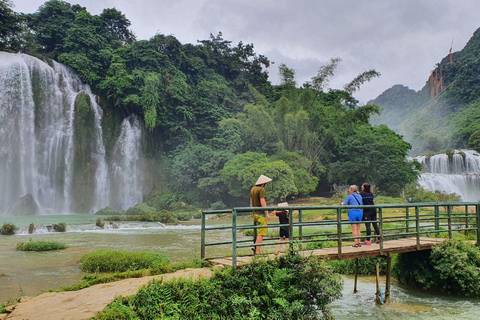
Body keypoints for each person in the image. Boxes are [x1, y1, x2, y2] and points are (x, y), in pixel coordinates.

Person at [250, 174, 273, 255]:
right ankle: (257, 252)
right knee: (261, 233)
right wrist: (267, 213)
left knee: (259, 231)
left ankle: (255, 246)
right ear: (263, 183)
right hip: (261, 214)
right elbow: (262, 201)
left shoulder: (253, 189)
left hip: (255, 213)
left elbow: (251, 201)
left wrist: (253, 209)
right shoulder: (261, 189)